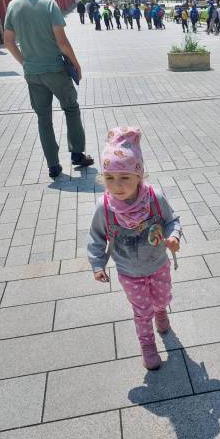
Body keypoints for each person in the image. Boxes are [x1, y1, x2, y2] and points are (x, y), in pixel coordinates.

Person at [87, 126, 181, 370]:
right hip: (129, 272)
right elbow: (97, 237)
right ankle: (147, 345)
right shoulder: (105, 207)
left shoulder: (155, 199)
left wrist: (173, 236)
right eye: (110, 178)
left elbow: (172, 220)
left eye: (124, 177)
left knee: (163, 297)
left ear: (139, 175)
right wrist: (97, 264)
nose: (117, 185)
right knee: (141, 311)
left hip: (158, 264)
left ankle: (161, 311)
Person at [3, 0, 93, 180]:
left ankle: (53, 166)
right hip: (55, 70)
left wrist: (25, 62)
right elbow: (62, 42)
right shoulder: (49, 4)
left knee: (43, 119)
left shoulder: (13, 6)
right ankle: (77, 154)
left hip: (32, 73)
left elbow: (8, 42)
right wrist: (76, 62)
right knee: (71, 108)